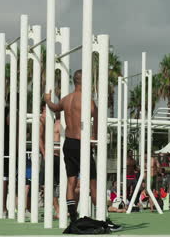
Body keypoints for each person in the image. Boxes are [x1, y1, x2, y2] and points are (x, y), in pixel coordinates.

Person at [44, 69, 98, 223]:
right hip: (82, 143)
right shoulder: (88, 100)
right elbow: (96, 117)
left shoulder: (66, 99)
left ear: (74, 81)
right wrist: (94, 137)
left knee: (71, 182)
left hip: (69, 143)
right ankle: (103, 216)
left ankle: (73, 217)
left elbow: (54, 107)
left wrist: (47, 99)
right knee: (93, 182)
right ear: (85, 81)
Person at [39, 103, 62, 219]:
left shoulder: (57, 122)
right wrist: (44, 154)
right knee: (49, 184)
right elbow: (39, 138)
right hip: (50, 155)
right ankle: (57, 210)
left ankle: (57, 209)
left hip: (59, 157)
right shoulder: (42, 120)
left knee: (57, 184)